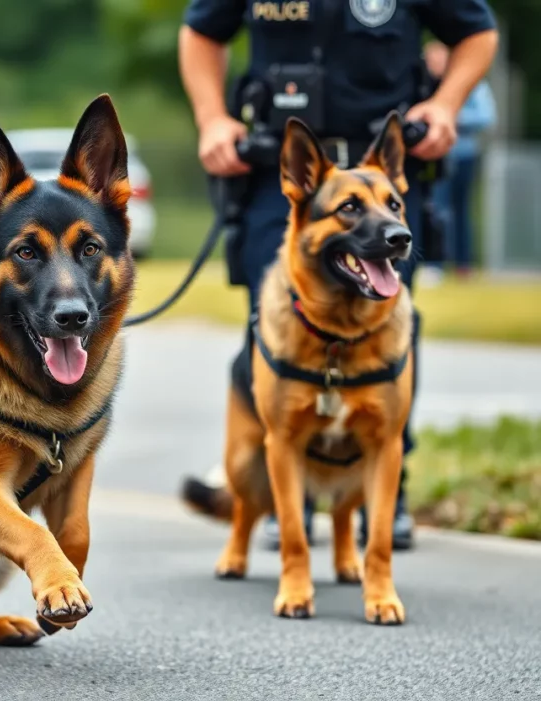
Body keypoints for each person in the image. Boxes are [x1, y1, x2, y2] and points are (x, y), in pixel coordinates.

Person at [177, 0, 499, 551]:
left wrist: (446, 106)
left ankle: (384, 498)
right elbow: (201, 31)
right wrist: (212, 119)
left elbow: (478, 33)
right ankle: (289, 500)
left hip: (386, 177)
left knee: (389, 323)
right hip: (288, 177)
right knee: (275, 321)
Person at [423, 40, 498, 279]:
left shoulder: (470, 83)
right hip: (436, 155)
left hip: (464, 155)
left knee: (461, 210)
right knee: (438, 208)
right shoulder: (426, 85)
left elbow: (486, 116)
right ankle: (436, 264)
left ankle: (463, 264)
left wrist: (450, 114)